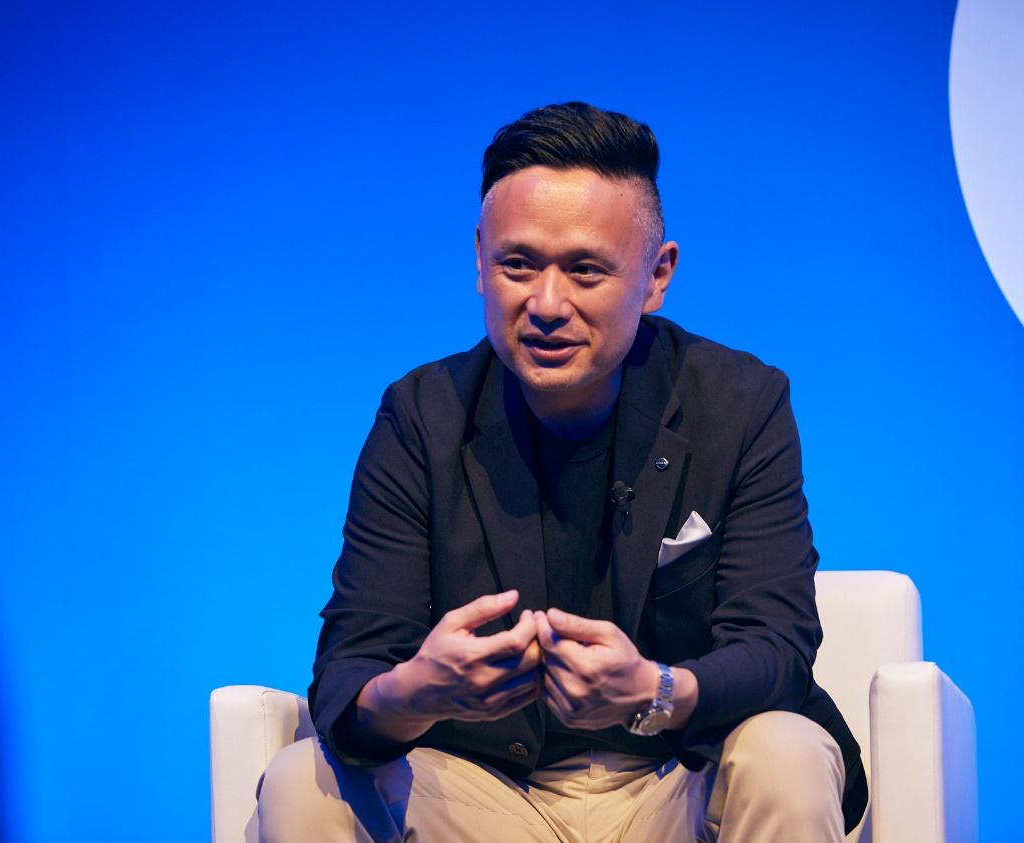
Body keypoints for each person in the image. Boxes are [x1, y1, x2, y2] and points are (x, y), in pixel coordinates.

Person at [257, 102, 867, 841]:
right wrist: (416, 691)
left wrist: (655, 690)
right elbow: (351, 668)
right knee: (300, 779)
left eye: (585, 270)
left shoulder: (739, 403)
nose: (546, 304)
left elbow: (777, 649)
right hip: (481, 796)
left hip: (676, 781)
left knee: (787, 749)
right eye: (518, 264)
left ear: (657, 275)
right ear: (479, 259)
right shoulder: (422, 415)